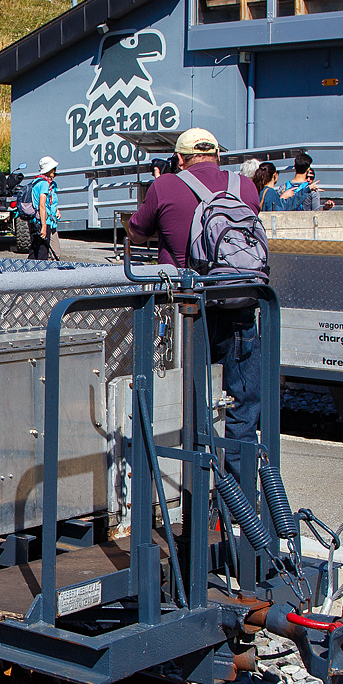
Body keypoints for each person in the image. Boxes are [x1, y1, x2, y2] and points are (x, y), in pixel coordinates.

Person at [124, 127, 262, 481]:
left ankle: (192, 493)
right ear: (217, 155)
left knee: (188, 403)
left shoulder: (166, 185)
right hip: (239, 305)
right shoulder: (244, 187)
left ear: (180, 158)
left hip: (186, 311)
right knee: (240, 408)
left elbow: (136, 231)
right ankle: (241, 498)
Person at [28, 155, 60, 261]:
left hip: (34, 220)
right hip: (43, 220)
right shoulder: (44, 184)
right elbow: (42, 205)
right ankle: (42, 275)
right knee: (43, 252)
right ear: (49, 170)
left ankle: (27, 273)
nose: (55, 171)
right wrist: (44, 226)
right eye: (53, 169)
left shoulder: (36, 182)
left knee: (34, 250)